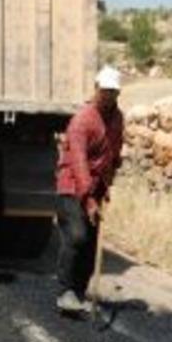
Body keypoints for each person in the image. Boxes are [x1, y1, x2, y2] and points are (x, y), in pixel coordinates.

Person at [55, 66, 125, 314]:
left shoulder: (117, 118)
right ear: (96, 89)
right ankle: (64, 291)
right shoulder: (82, 120)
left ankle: (80, 290)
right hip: (72, 186)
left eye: (113, 92)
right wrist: (88, 199)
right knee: (77, 236)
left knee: (91, 244)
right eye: (104, 91)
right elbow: (79, 163)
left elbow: (113, 153)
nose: (108, 96)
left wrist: (106, 185)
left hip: (95, 186)